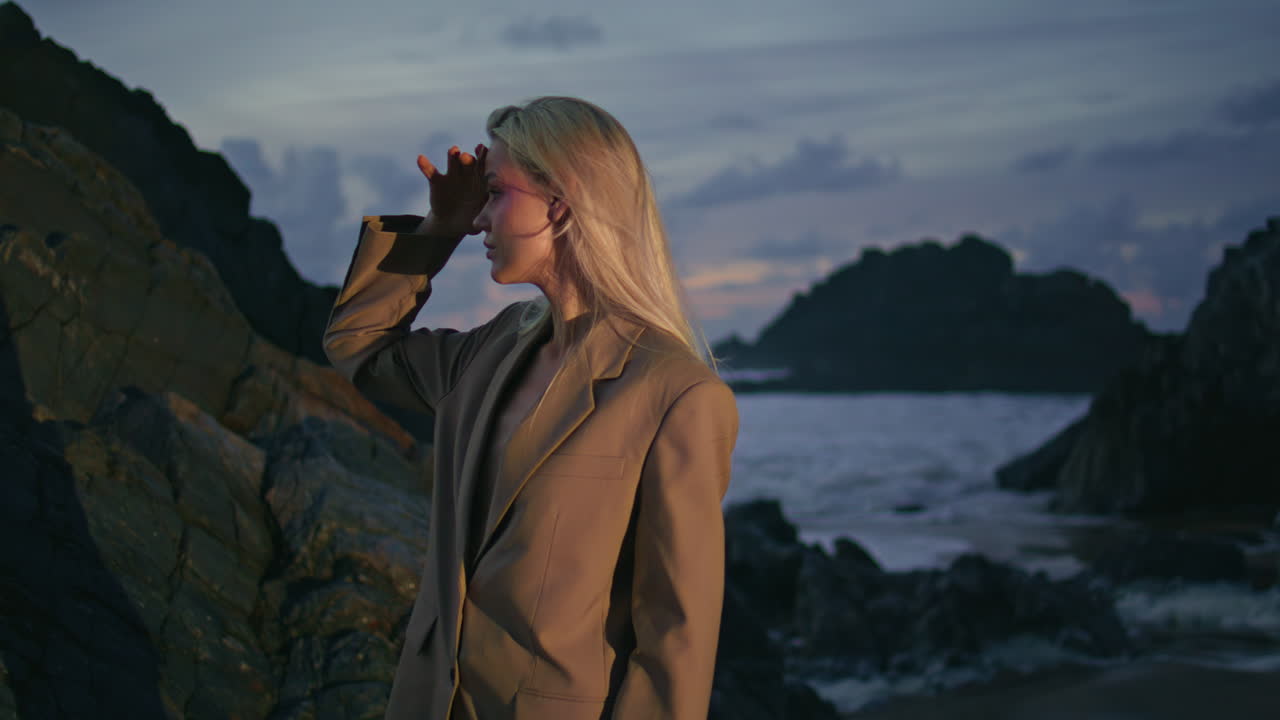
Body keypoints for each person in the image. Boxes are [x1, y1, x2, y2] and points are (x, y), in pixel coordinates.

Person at [323, 96, 739, 720]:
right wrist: (438, 231)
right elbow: (359, 346)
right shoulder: (491, 350)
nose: (481, 219)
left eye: (493, 193)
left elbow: (675, 642)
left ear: (562, 203)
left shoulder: (676, 395)